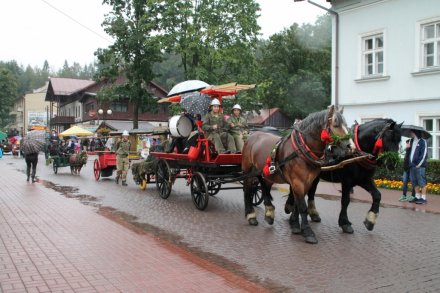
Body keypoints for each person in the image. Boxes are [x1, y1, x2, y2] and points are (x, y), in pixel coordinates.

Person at [408, 130, 428, 204]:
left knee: (421, 182)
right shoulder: (412, 141)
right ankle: (417, 197)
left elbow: (424, 153)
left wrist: (419, 164)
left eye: (411, 132)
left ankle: (423, 198)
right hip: (412, 166)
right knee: (414, 183)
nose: (410, 133)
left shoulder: (423, 141)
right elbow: (410, 153)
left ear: (415, 133)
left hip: (419, 166)